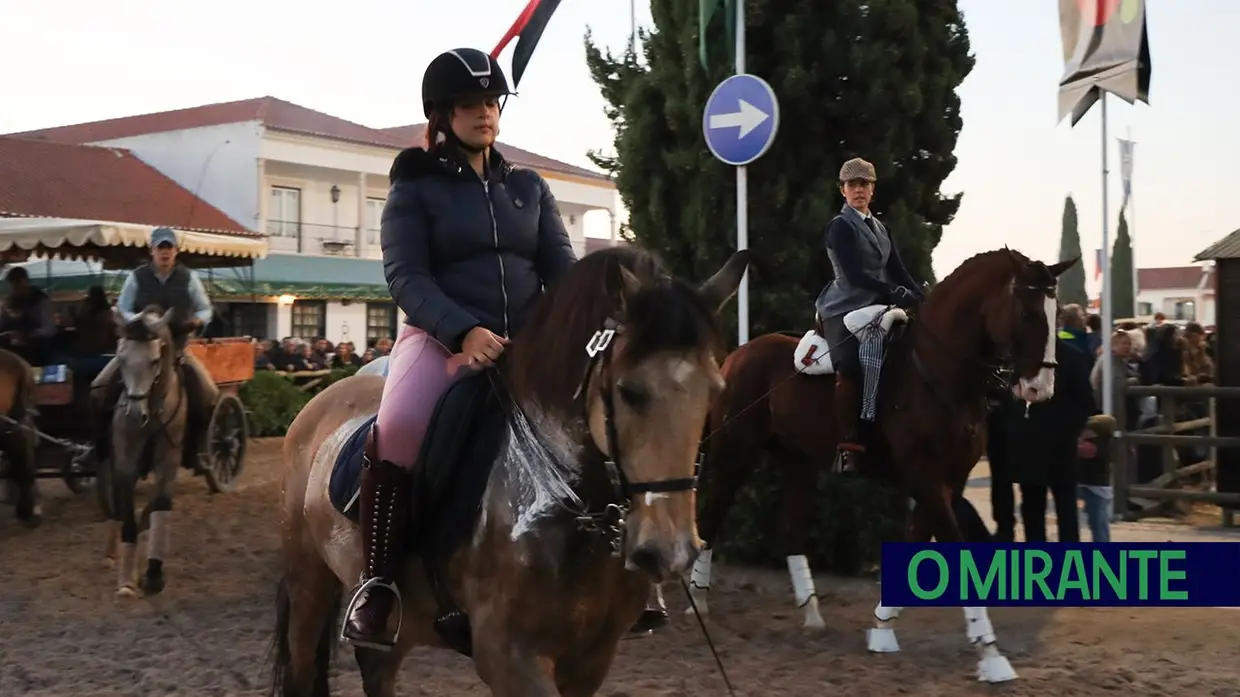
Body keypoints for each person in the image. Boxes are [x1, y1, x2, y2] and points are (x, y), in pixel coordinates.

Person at [341, 46, 576, 651]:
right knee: (398, 425)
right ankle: (379, 584)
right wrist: (463, 331)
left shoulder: (530, 187)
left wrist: (570, 330)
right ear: (443, 114)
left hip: (527, 346)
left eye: (492, 102)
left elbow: (562, 269)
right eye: (471, 104)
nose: (485, 113)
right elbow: (406, 277)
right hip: (440, 340)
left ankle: (624, 571)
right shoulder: (414, 188)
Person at [814, 157, 924, 473]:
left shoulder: (881, 228)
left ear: (872, 190)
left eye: (865, 184)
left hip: (877, 306)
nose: (859, 190)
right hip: (842, 307)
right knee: (849, 363)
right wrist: (891, 292)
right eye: (853, 185)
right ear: (843, 191)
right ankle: (848, 445)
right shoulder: (839, 227)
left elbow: (897, 269)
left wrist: (919, 295)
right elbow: (853, 274)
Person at [90, 227, 219, 463]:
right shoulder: (136, 277)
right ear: (152, 251)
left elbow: (205, 308)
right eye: (161, 247)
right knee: (99, 387)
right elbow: (124, 308)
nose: (165, 252)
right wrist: (141, 322)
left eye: (169, 247)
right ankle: (99, 448)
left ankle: (199, 449)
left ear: (176, 251)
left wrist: (198, 320)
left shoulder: (188, 277)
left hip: (177, 350)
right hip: (138, 349)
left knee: (209, 393)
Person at [0, 266, 58, 366]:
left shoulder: (41, 300)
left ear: (26, 281)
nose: (16, 287)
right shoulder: (8, 301)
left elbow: (49, 329)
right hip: (11, 348)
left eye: (18, 283)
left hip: (36, 348)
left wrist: (27, 335)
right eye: (13, 284)